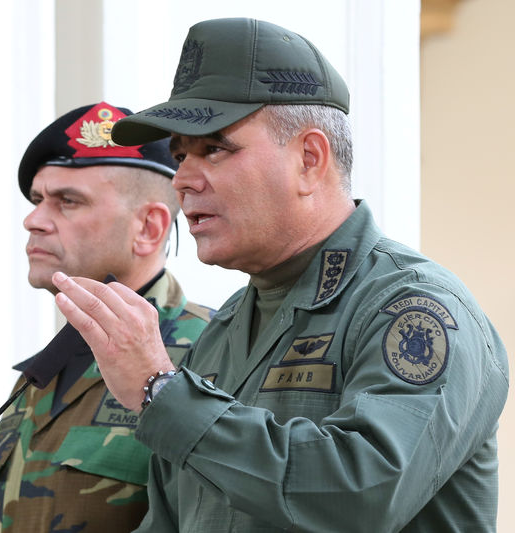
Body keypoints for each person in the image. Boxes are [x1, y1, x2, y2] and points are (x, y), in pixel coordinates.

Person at [51, 18, 509, 532]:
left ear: (310, 160)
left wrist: (162, 391)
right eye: (180, 156)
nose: (181, 179)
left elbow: (358, 497)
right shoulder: (223, 330)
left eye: (213, 148)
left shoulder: (414, 307)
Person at [0, 101, 214, 533]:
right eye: (37, 200)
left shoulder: (212, 355)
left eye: (67, 201)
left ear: (148, 228)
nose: (33, 220)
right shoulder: (38, 377)